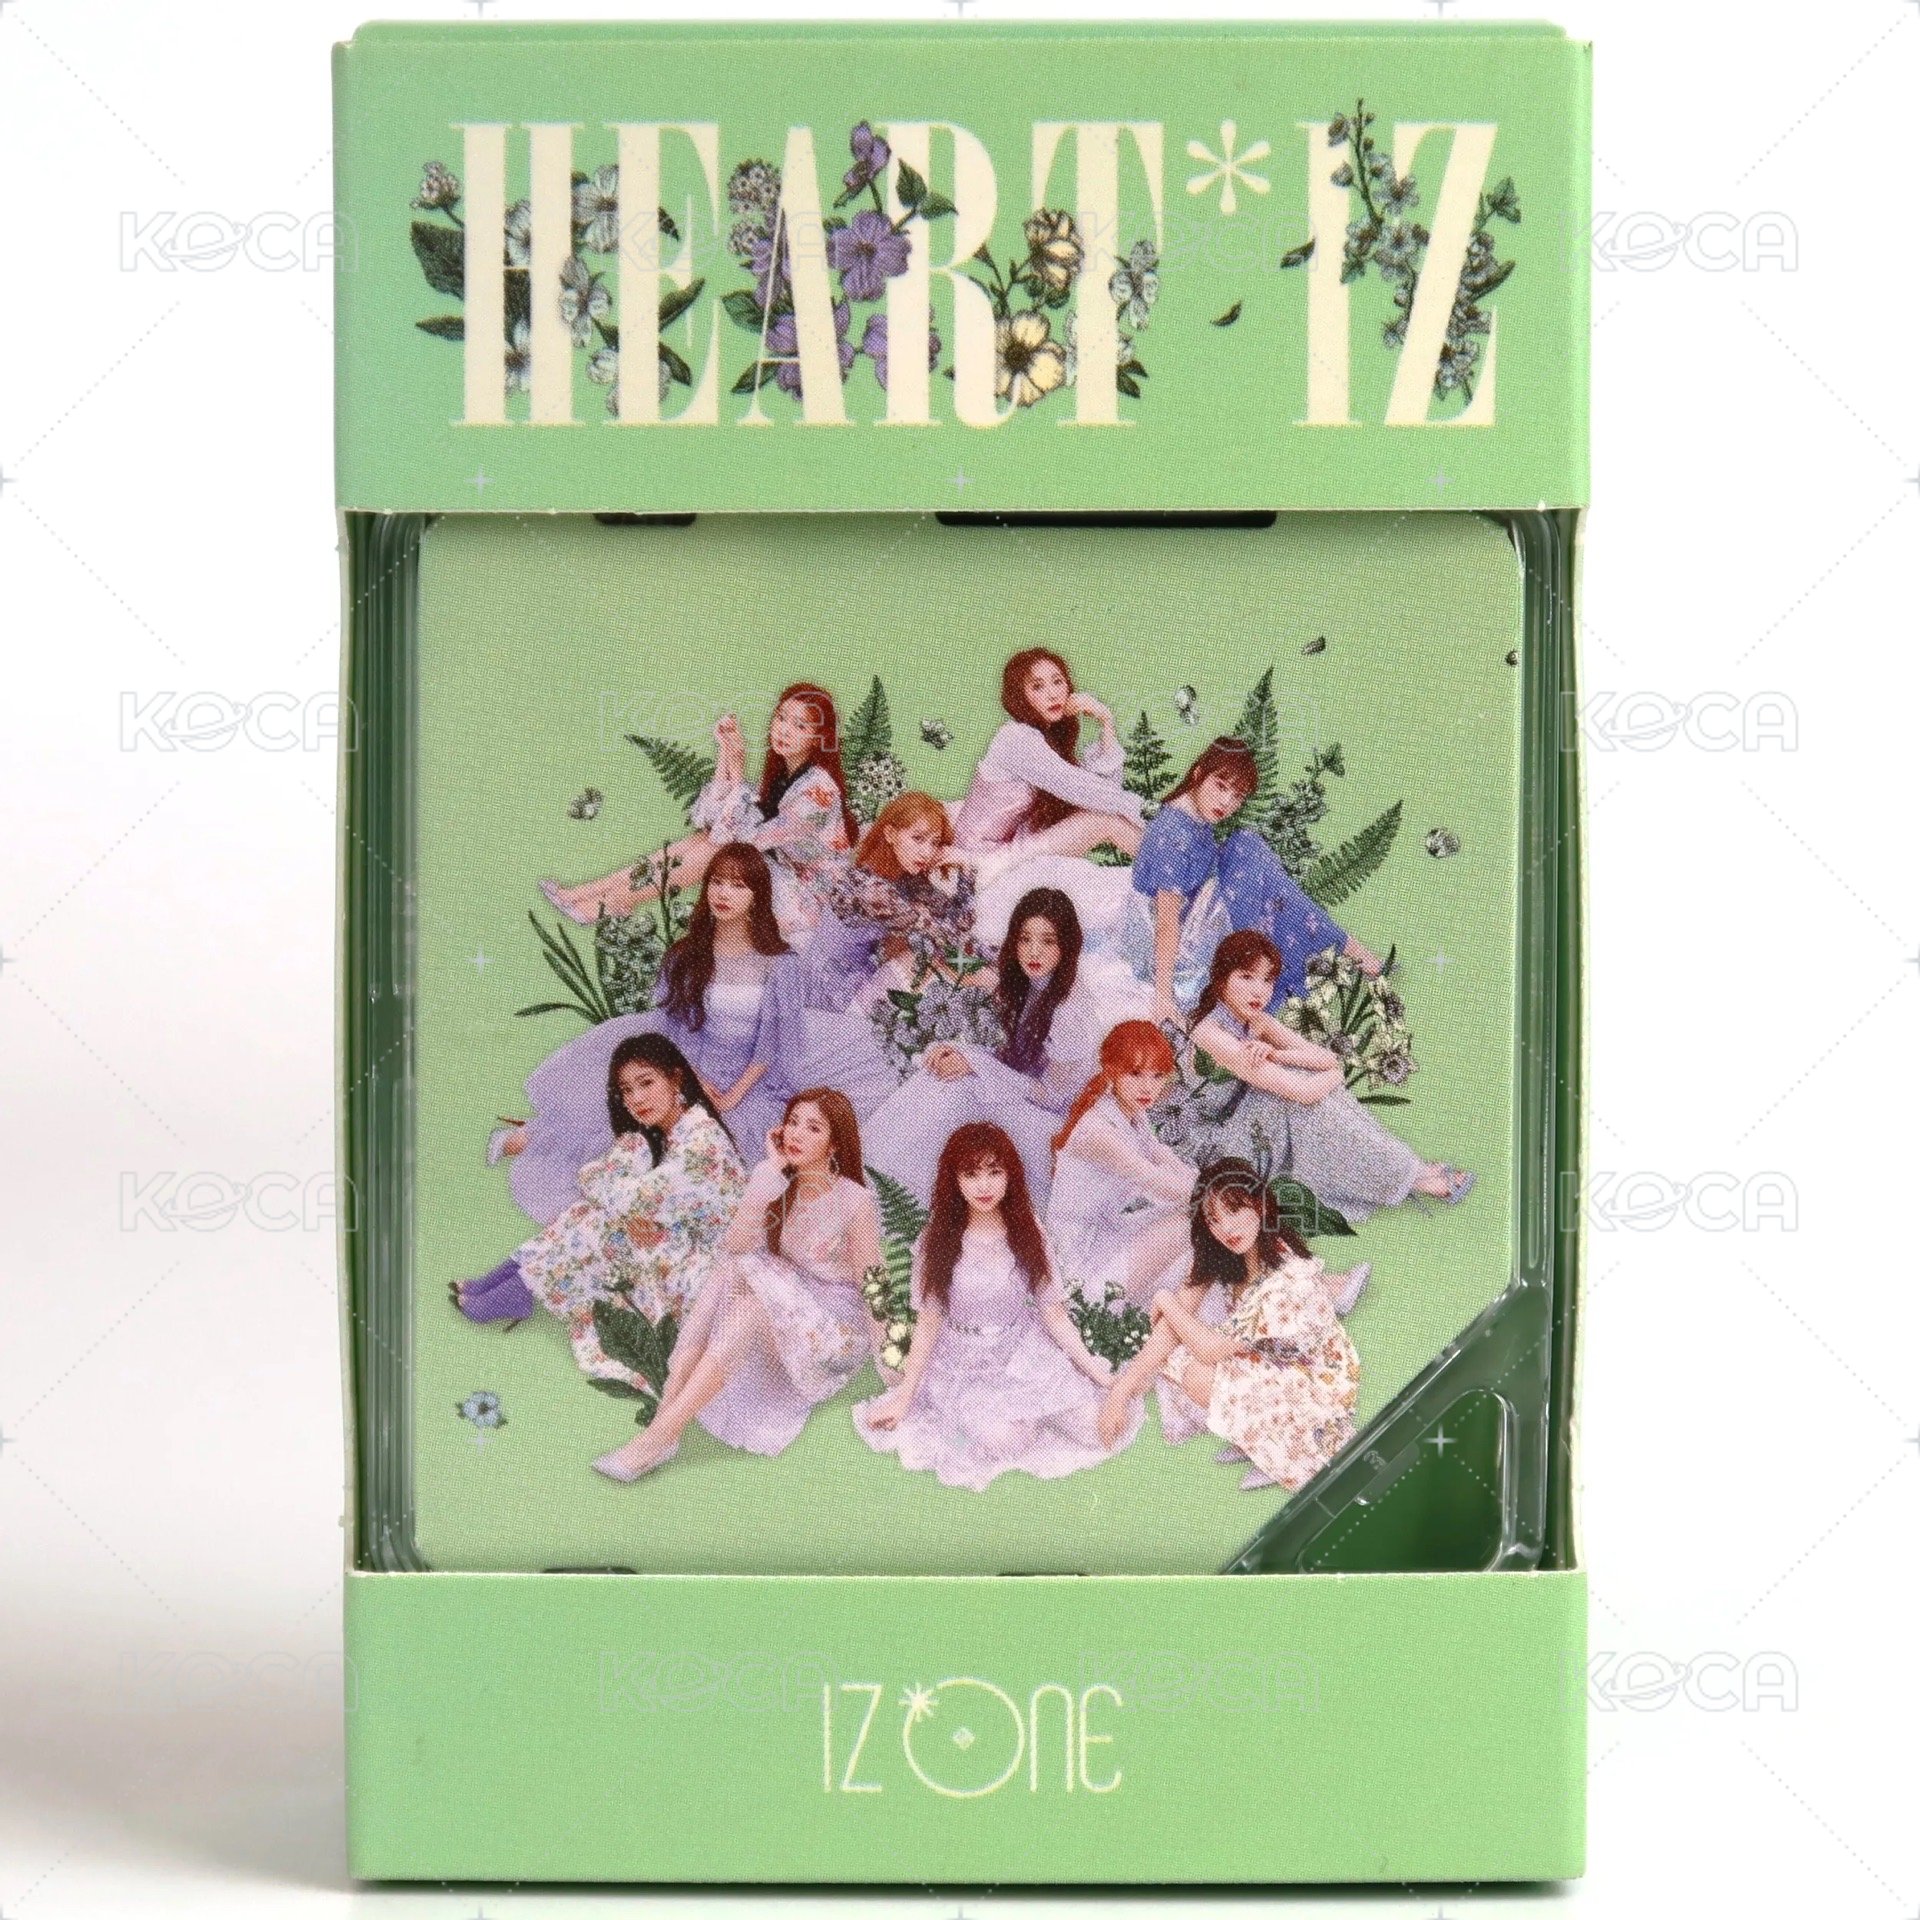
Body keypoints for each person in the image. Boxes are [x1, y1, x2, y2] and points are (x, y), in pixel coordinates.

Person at [591, 1089, 888, 1480]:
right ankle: (665, 1423)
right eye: (793, 1122)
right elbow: (734, 1246)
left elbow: (874, 1284)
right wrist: (769, 1173)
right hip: (790, 1305)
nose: (796, 1134)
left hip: (834, 1332)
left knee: (745, 1294)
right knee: (729, 1269)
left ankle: (661, 1435)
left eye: (813, 1128)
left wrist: (891, 1364)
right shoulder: (780, 1183)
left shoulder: (855, 1201)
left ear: (834, 1144)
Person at [452, 1035, 746, 1394]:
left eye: (646, 1083)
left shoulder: (702, 1143)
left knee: (604, 1225)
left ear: (676, 1078)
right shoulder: (665, 1133)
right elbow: (608, 1183)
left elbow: (623, 1194)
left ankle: (522, 1286)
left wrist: (615, 1194)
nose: (636, 1099)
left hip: (708, 1273)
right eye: (626, 1090)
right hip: (681, 1243)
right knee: (592, 1214)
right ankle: (513, 1279)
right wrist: (621, 1191)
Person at [854, 1122, 1133, 1489]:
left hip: (1024, 1352)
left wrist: (1099, 1374)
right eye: (971, 1174)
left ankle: (1040, 1409)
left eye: (994, 1172)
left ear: (1009, 1175)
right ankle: (1012, 1417)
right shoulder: (938, 1236)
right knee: (1009, 1442)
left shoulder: (1027, 1228)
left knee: (1098, 1429)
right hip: (965, 1364)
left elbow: (1053, 1312)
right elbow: (929, 1322)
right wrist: (904, 1398)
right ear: (954, 1180)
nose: (983, 1186)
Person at [1100, 1159, 1361, 1493]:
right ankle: (1259, 1437)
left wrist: (1164, 1299)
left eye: (1235, 1210)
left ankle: (1280, 1448)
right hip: (1273, 1367)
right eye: (1213, 1219)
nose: (1226, 1227)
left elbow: (1209, 1350)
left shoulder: (1285, 1275)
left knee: (1198, 1371)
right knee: (1174, 1355)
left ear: (1260, 1205)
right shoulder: (1226, 1255)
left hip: (1311, 1383)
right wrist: (1120, 1392)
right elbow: (1169, 1331)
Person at [1189, 930, 1474, 1221]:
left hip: (1255, 1121)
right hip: (1221, 1143)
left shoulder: (1257, 1020)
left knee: (1301, 1076)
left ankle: (1407, 1172)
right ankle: (1410, 1177)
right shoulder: (1210, 1032)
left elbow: (1327, 1059)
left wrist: (1276, 1054)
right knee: (1296, 1097)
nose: (1259, 991)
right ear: (1221, 977)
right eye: (1247, 977)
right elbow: (1307, 1089)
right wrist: (1334, 1073)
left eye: (1267, 980)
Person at [541, 682, 855, 939]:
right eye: (781, 718)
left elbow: (743, 841)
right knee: (700, 841)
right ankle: (590, 893)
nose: (784, 730)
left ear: (818, 738)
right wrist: (725, 757)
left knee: (714, 850)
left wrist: (737, 767)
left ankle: (612, 902)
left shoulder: (819, 792)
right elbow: (712, 821)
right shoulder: (786, 774)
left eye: (800, 726)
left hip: (809, 900)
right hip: (783, 874)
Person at [864, 887, 1099, 1210]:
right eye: (1025, 939)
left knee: (959, 1089)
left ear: (1066, 946)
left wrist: (977, 1065)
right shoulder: (1032, 983)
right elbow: (1014, 1060)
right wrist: (961, 1053)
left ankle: (902, 1191)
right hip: (1025, 1101)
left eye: (1048, 941)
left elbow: (1052, 1097)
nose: (1034, 951)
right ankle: (880, 1175)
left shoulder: (1069, 1012)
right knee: (942, 1075)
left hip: (1053, 1126)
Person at [1121, 735, 1381, 1023]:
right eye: (1220, 786)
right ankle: (1321, 952)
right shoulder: (1172, 833)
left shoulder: (1192, 816)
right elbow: (1166, 923)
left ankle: (1314, 953)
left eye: (1237, 796)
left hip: (1194, 921)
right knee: (1247, 848)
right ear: (1198, 773)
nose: (1226, 802)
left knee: (1245, 844)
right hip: (1174, 953)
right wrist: (1163, 995)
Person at [1045, 1021, 1196, 1307]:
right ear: (1112, 1069)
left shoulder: (1133, 1114)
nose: (1147, 1087)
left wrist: (1218, 1188)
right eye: (1135, 1073)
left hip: (1105, 1239)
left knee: (1198, 1214)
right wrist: (1220, 1197)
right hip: (1076, 1267)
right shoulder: (1098, 1129)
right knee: (1192, 1222)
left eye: (1157, 1076)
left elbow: (1164, 1157)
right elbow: (1152, 1179)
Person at [952, 648, 1144, 874]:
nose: (1053, 694)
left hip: (1007, 851)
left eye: (1057, 681)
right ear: (1020, 696)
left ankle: (1172, 868)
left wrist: (1106, 722)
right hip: (979, 860)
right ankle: (1173, 867)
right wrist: (1154, 818)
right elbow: (1092, 793)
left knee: (1104, 816)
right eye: (1037, 686)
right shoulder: (1015, 738)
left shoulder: (1047, 738)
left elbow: (1104, 793)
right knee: (1105, 821)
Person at [801, 791, 978, 1013]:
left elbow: (959, 925)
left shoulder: (906, 879)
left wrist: (966, 874)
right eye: (918, 838)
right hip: (830, 996)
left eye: (934, 843)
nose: (927, 852)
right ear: (890, 834)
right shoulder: (871, 890)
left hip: (859, 976)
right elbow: (953, 941)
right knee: (924, 953)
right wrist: (967, 875)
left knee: (935, 949)